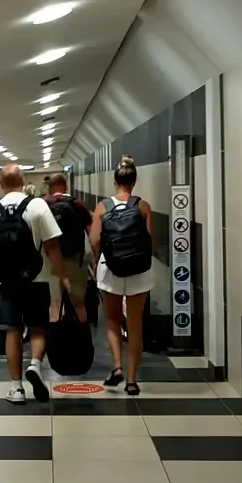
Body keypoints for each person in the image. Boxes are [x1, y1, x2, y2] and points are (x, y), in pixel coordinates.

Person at [0, 163, 69, 406]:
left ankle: (16, 388)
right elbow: (52, 245)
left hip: (6, 280)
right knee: (38, 327)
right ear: (23, 180)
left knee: (12, 331)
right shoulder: (38, 205)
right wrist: (62, 275)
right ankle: (35, 365)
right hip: (37, 277)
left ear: (0, 184)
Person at [90, 156, 154, 397]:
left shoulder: (102, 207)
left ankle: (117, 367)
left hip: (111, 269)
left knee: (112, 320)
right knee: (135, 325)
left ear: (114, 181)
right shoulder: (143, 206)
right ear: (134, 182)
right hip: (139, 271)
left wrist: (97, 260)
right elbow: (150, 240)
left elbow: (94, 241)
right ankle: (132, 381)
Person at [45, 173, 93, 323]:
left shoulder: (44, 205)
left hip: (50, 261)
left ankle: (54, 335)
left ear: (50, 188)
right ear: (65, 186)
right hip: (75, 259)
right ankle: (82, 333)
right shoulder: (77, 204)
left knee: (54, 304)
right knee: (79, 303)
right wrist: (96, 259)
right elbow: (91, 234)